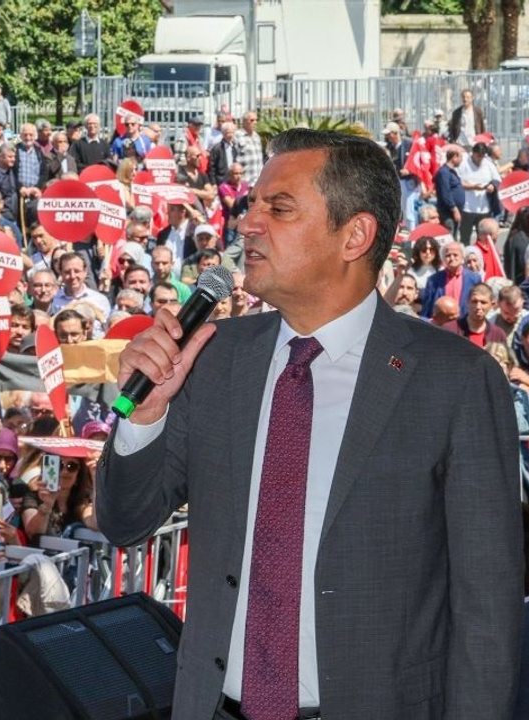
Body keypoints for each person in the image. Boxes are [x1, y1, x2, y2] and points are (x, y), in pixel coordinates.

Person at [100, 129, 521, 717]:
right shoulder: (213, 359)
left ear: (355, 236)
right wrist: (142, 418)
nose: (248, 224)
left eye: (279, 208)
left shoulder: (454, 381)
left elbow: (489, 609)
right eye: (251, 205)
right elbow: (122, 522)